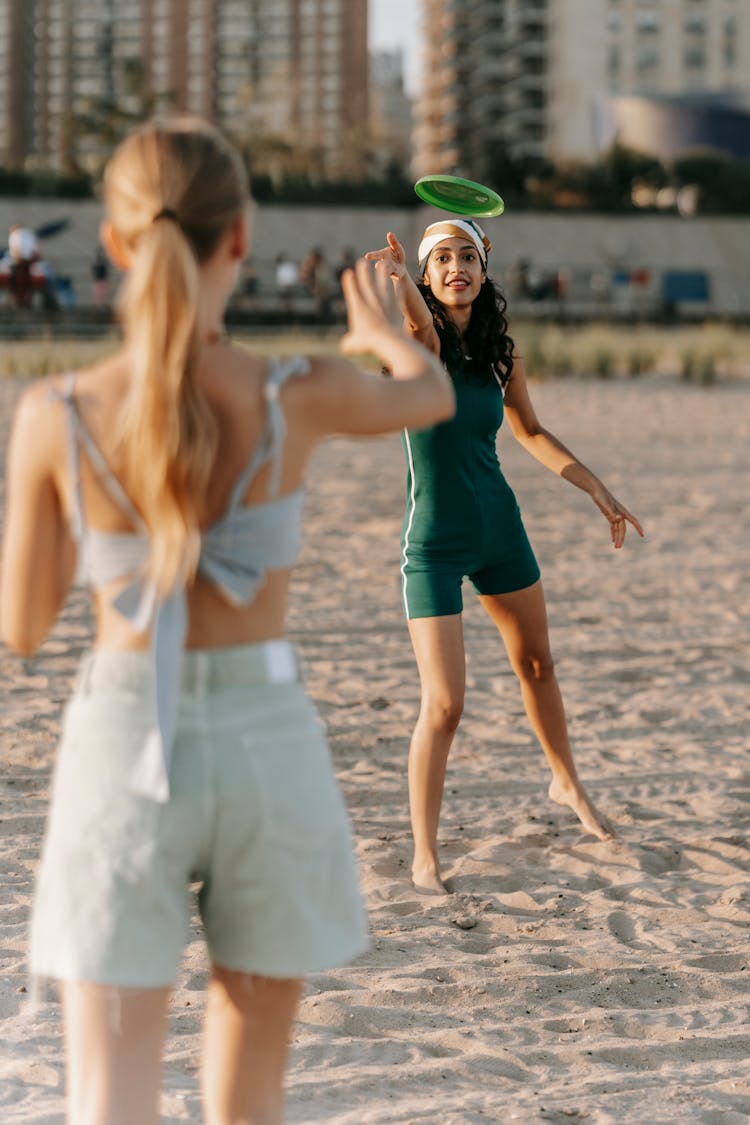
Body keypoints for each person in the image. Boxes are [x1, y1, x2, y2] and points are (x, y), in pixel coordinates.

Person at [0, 117, 454, 1124]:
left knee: (107, 1098)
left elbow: (23, 628)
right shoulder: (293, 393)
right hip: (266, 747)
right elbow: (429, 396)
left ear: (114, 245)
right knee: (250, 1105)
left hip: (124, 742)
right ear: (240, 240)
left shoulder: (57, 415)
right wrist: (382, 333)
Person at [365, 221, 644, 894]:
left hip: (500, 530)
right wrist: (401, 285)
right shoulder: (418, 347)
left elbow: (532, 431)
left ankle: (566, 781)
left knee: (539, 664)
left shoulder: (500, 356)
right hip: (432, 543)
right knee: (445, 706)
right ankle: (425, 856)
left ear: (483, 272)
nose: (456, 266)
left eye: (467, 256)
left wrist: (597, 489)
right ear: (429, 278)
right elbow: (419, 330)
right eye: (442, 260)